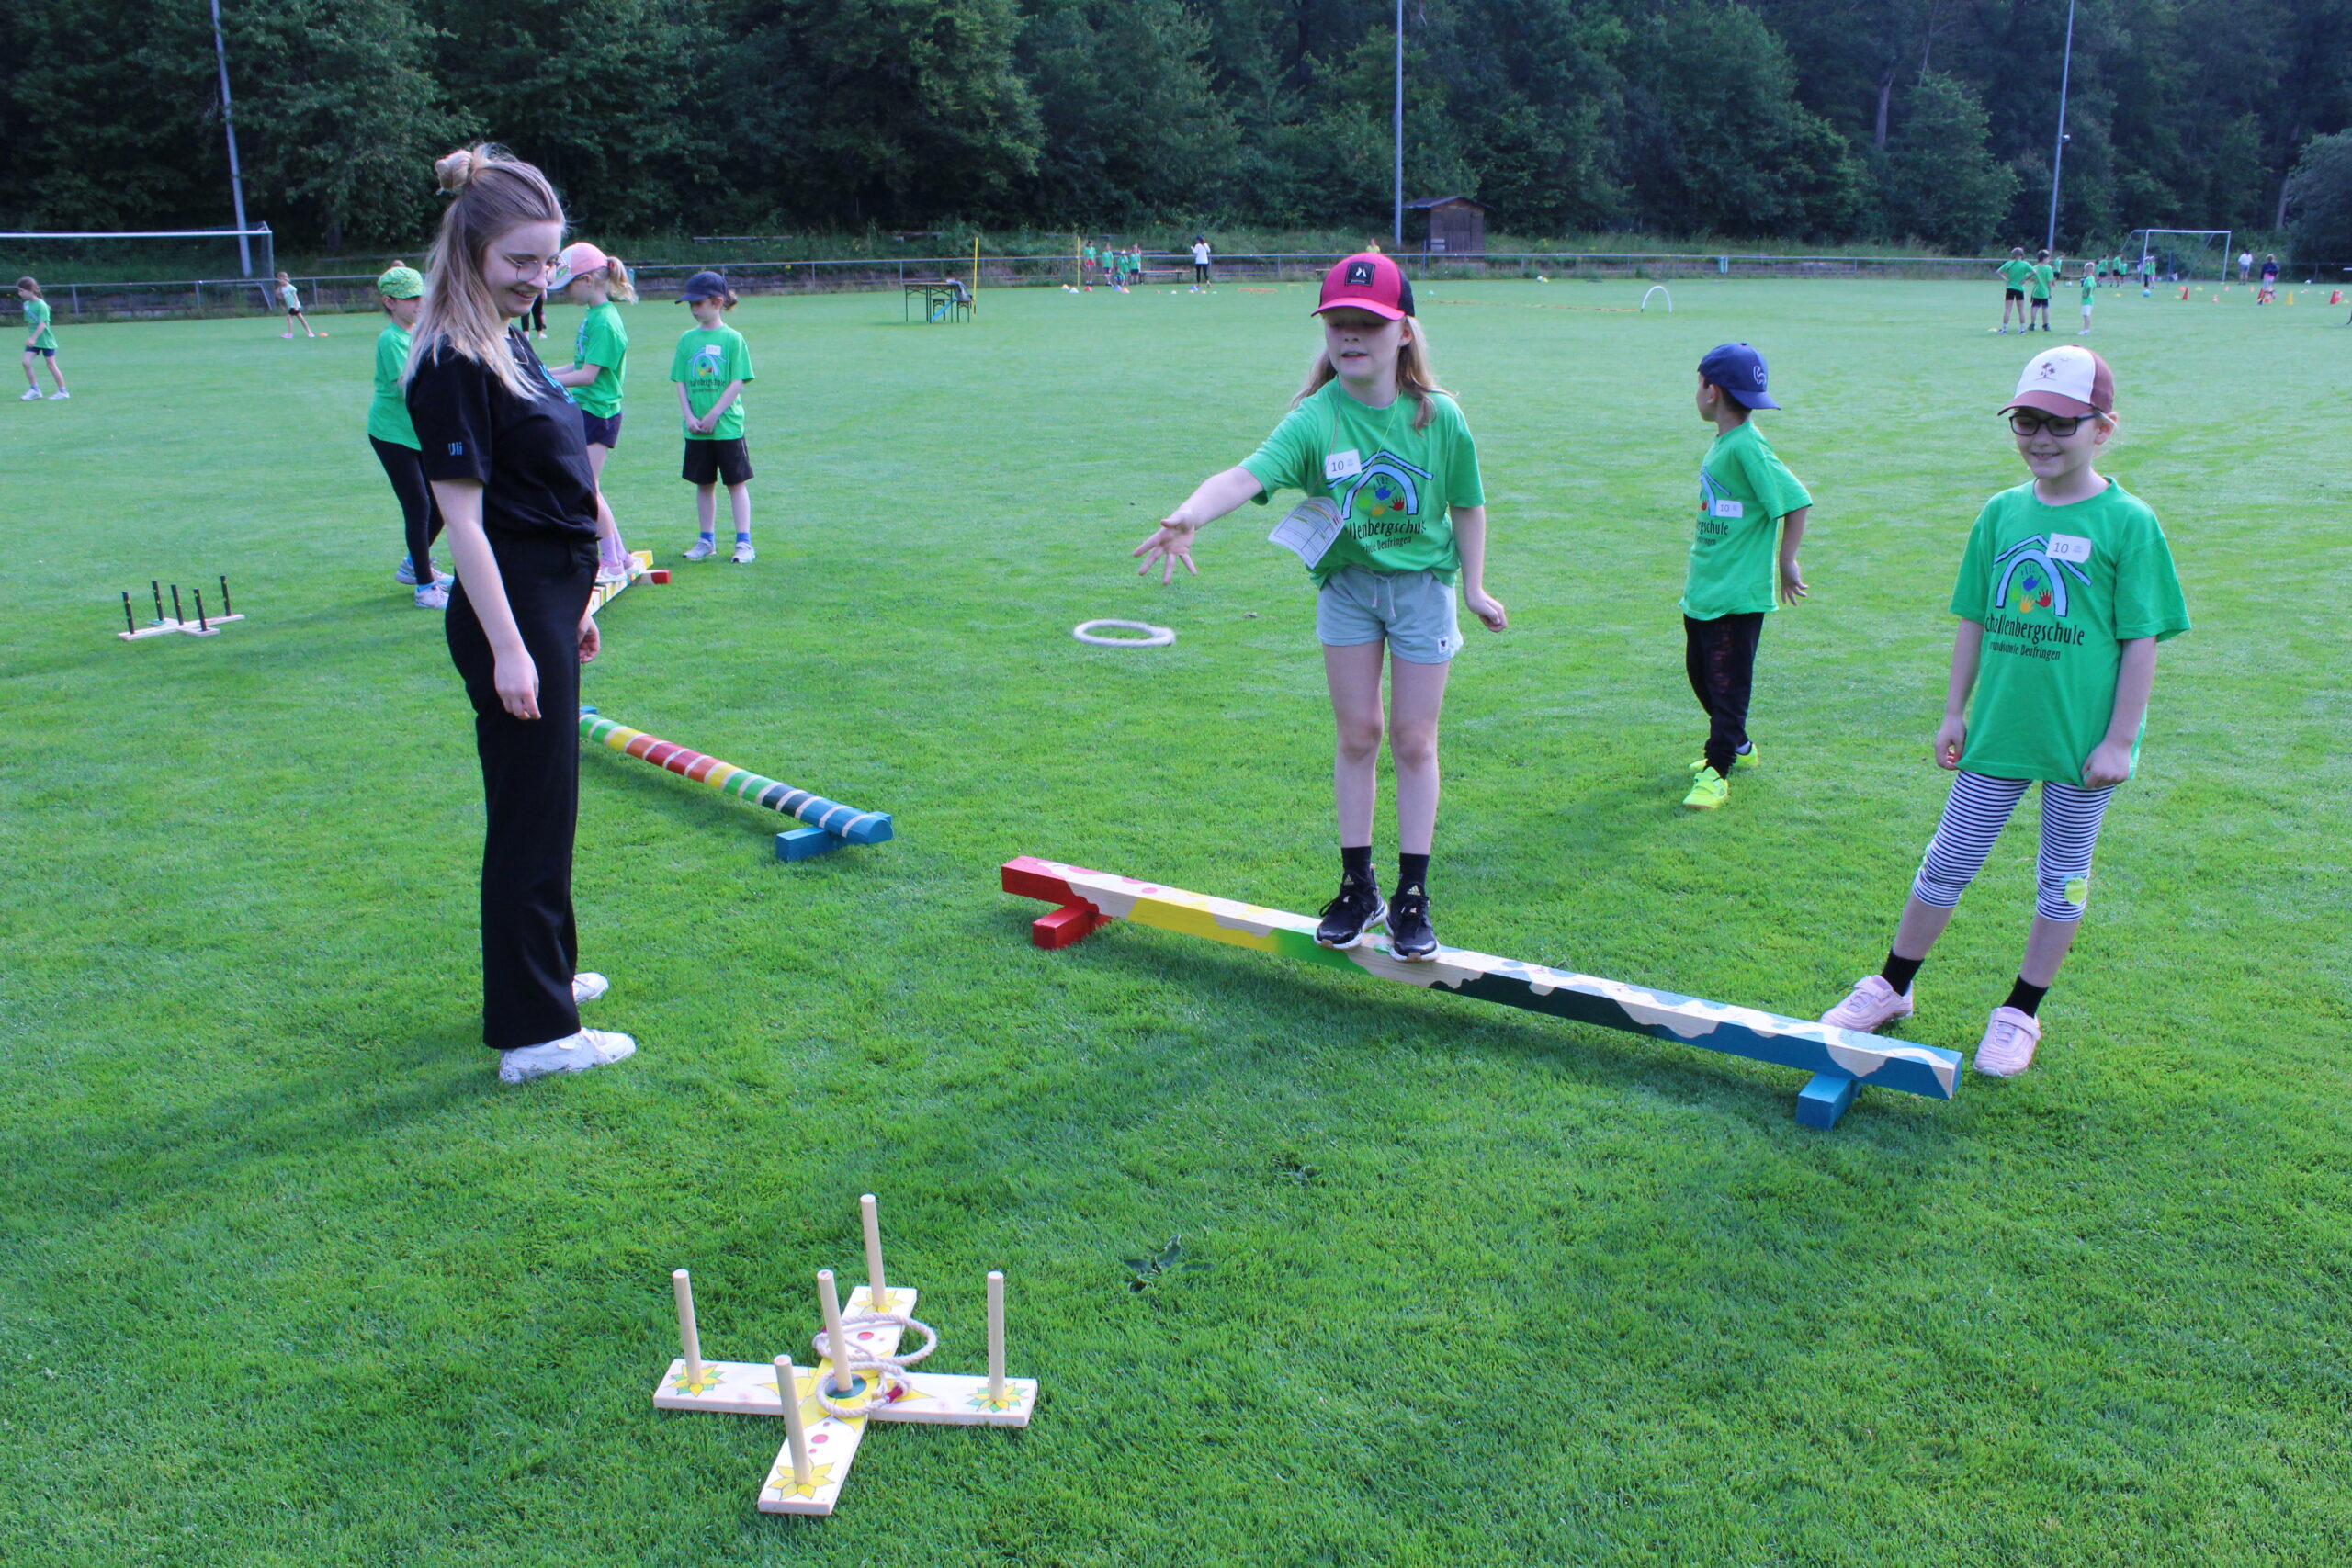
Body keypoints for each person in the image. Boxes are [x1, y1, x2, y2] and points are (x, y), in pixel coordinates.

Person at [1818, 346, 2188, 1077]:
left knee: (2062, 877)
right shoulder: (2001, 512)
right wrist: (1954, 711)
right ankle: (1892, 985)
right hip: (1998, 733)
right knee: (1946, 861)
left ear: (2103, 428)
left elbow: (2141, 640)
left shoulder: (2129, 522)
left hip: (2083, 747)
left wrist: (2120, 740)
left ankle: (2021, 1010)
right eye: (2026, 421)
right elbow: (1974, 621)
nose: (2040, 438)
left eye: (2060, 424)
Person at [1131, 253, 1505, 958]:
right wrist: (1190, 515)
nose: (1351, 336)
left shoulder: (1439, 417)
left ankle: (1411, 894)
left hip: (1424, 590)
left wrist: (1477, 587)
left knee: (1414, 740)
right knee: (1359, 733)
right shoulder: (1315, 417)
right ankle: (1357, 885)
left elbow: (1467, 504)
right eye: (1339, 323)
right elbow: (1246, 474)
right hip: (1348, 591)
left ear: (1403, 332)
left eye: (1369, 323)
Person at [402, 143, 636, 1085]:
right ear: (468, 253)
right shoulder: (452, 359)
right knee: (532, 819)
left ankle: (544, 976)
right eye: (521, 263)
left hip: (543, 601)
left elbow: (547, 486)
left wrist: (570, 606)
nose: (540, 279)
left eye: (550, 261)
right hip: (510, 611)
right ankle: (536, 1036)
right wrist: (511, 647)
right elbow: (460, 516)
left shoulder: (509, 337)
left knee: (548, 810)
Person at [1679, 343, 1812, 811]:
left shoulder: (1749, 447)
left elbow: (1795, 500)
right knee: (1701, 673)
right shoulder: (1726, 443)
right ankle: (1739, 745)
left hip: (1738, 596)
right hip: (1705, 590)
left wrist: (1786, 562)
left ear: (1711, 391)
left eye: (1698, 384)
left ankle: (1718, 771)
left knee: (1727, 683)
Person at [545, 241, 638, 583]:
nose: (566, 292)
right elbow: (579, 364)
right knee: (589, 487)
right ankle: (621, 557)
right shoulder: (593, 318)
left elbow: (588, 376)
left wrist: (548, 385)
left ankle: (612, 560)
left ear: (587, 280)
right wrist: (541, 373)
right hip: (587, 410)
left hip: (599, 413)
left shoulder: (606, 323)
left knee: (588, 489)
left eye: (569, 285)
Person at [368, 265, 451, 606]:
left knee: (443, 504)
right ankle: (425, 589)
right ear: (389, 302)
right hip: (392, 434)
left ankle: (415, 566)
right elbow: (411, 385)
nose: (420, 303)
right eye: (410, 299)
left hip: (418, 433)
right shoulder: (391, 339)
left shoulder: (420, 331)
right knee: (418, 505)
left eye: (422, 296)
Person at [671, 270, 756, 563]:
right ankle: (706, 540)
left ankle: (744, 543)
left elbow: (737, 381)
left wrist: (714, 414)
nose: (694, 309)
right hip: (696, 429)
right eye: (691, 304)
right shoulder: (686, 340)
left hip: (727, 427)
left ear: (717, 302)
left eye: (699, 303)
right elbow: (680, 380)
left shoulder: (733, 339)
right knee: (703, 484)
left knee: (736, 483)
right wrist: (690, 417)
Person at [17, 276, 66, 400]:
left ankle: (63, 391)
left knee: (51, 365)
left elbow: (43, 324)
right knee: (26, 362)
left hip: (45, 339)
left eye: (22, 291)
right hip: (34, 340)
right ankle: (35, 390)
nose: (20, 293)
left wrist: (33, 338)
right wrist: (32, 338)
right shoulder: (26, 305)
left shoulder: (41, 305)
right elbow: (30, 322)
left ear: (31, 290)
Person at [1995, 247, 2032, 333]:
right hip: (2020, 288)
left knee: (2008, 309)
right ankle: (2022, 329)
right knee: (2021, 310)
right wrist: (2025, 279)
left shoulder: (2009, 263)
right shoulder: (2025, 264)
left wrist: (2006, 279)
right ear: (2021, 255)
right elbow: (2034, 272)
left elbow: (1998, 272)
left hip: (2010, 288)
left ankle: (2004, 329)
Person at [276, 272, 318, 339]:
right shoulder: (283, 288)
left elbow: (295, 297)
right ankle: (310, 333)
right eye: (279, 280)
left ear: (285, 279)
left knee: (289, 317)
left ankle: (290, 334)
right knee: (302, 319)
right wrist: (279, 294)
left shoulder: (291, 287)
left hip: (295, 305)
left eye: (281, 280)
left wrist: (295, 306)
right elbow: (283, 297)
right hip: (291, 306)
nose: (280, 281)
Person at [2027, 249, 2055, 332]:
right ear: (2044, 258)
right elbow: (2049, 282)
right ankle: (2045, 325)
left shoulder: (2034, 267)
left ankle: (2032, 324)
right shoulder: (2048, 268)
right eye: (2047, 258)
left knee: (2034, 308)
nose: (2048, 260)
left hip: (2036, 291)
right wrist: (2050, 293)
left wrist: (2033, 281)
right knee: (2045, 308)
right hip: (2044, 291)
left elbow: (2027, 276)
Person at [2076, 260, 2098, 333]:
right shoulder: (2092, 278)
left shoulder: (2088, 279)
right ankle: (2086, 329)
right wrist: (2091, 293)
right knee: (2086, 315)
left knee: (2086, 315)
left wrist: (2087, 294)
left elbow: (2089, 287)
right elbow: (2094, 286)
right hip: (2090, 299)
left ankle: (2086, 330)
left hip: (2087, 300)